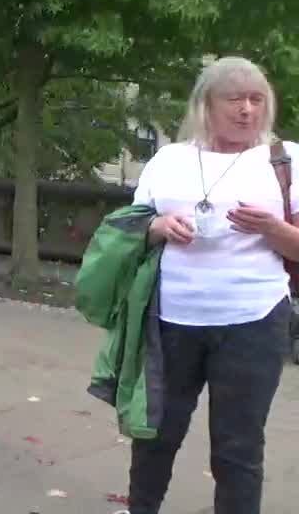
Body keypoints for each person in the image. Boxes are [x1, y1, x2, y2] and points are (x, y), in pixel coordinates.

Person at [124, 57, 295, 514]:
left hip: (254, 321)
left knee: (237, 447)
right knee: (156, 434)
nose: (246, 110)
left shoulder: (286, 160)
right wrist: (159, 225)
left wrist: (272, 229)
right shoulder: (169, 159)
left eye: (257, 99)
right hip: (171, 319)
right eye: (234, 99)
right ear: (206, 104)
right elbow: (129, 229)